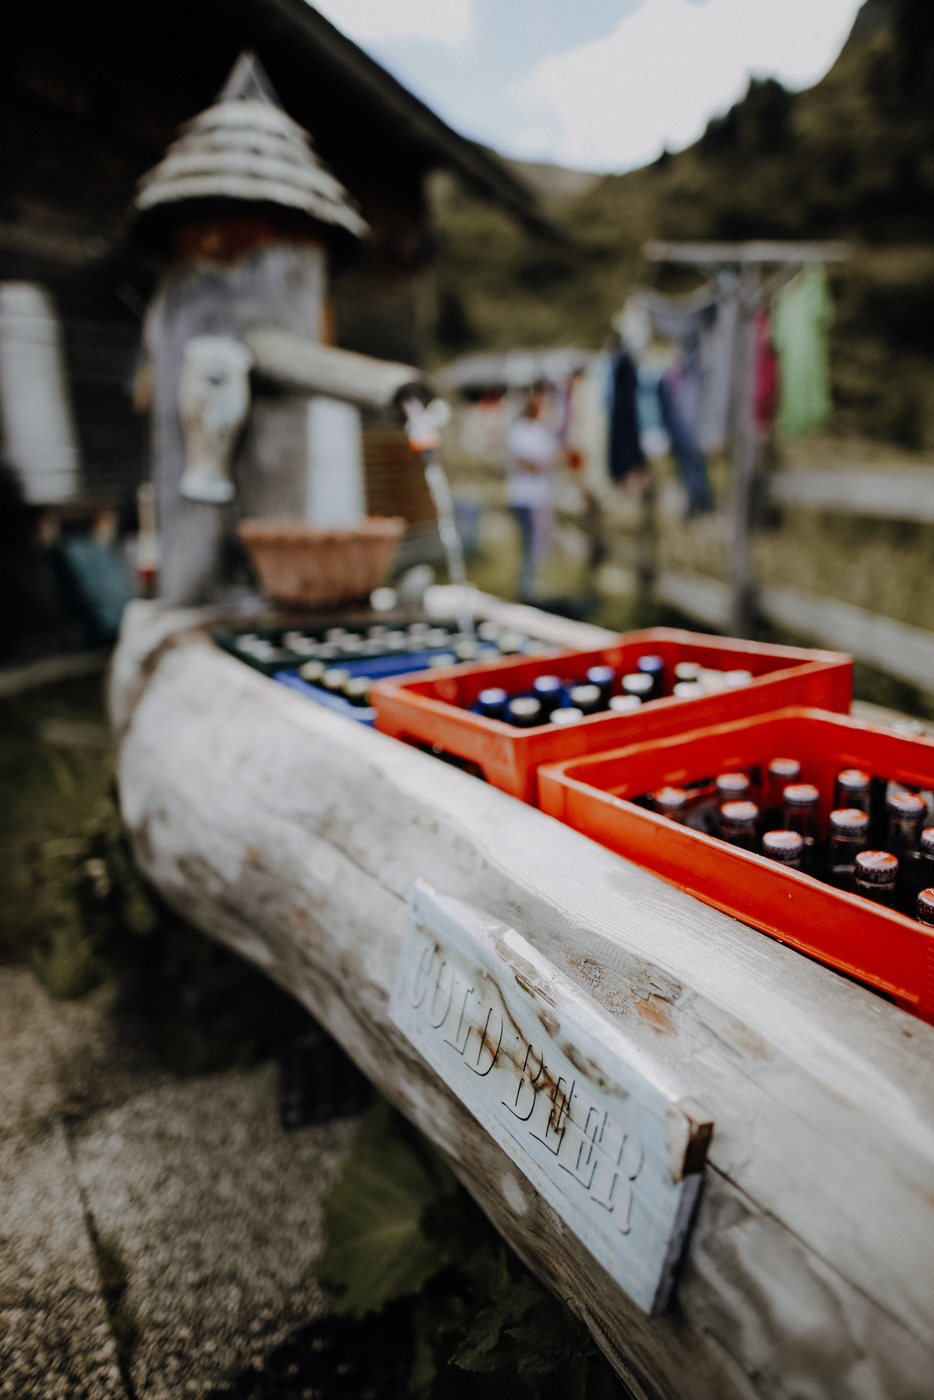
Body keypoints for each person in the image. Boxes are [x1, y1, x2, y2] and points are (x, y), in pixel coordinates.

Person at [506, 383, 559, 601]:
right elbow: (525, 462)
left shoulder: (544, 431)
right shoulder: (520, 430)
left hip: (539, 498)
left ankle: (532, 589)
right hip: (525, 498)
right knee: (530, 547)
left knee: (538, 546)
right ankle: (527, 592)